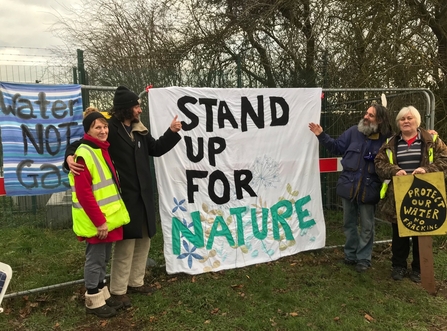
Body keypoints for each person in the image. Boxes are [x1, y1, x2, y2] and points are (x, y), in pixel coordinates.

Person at [66, 86, 182, 308]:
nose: (140, 110)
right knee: (126, 246)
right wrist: (69, 156)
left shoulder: (140, 130)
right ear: (125, 109)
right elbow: (81, 142)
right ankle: (119, 290)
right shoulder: (109, 128)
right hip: (124, 198)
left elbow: (156, 148)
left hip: (144, 196)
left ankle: (136, 282)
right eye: (136, 106)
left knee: (144, 240)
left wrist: (172, 132)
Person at [309, 104, 392, 273]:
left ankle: (363, 259)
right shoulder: (353, 132)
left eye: (371, 115)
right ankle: (350, 255)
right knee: (349, 223)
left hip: (369, 188)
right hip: (348, 186)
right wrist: (321, 135)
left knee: (367, 225)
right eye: (366, 113)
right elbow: (337, 146)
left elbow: (407, 137)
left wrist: (428, 134)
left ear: (380, 120)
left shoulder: (387, 139)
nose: (366, 116)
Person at [69, 107, 130, 318]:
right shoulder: (85, 154)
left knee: (103, 258)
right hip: (96, 221)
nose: (103, 130)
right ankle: (93, 299)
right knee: (94, 260)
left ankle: (103, 293)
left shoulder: (100, 148)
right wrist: (99, 222)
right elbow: (85, 193)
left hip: (105, 219)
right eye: (98, 127)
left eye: (104, 126)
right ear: (89, 130)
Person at [375, 106, 447, 283]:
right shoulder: (391, 143)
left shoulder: (432, 140)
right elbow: (379, 163)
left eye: (409, 118)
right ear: (398, 123)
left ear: (417, 121)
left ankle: (418, 268)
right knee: (399, 233)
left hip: (425, 194)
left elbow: (445, 159)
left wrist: (427, 169)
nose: (406, 121)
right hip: (398, 195)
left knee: (420, 232)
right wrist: (394, 170)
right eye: (402, 119)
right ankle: (398, 266)